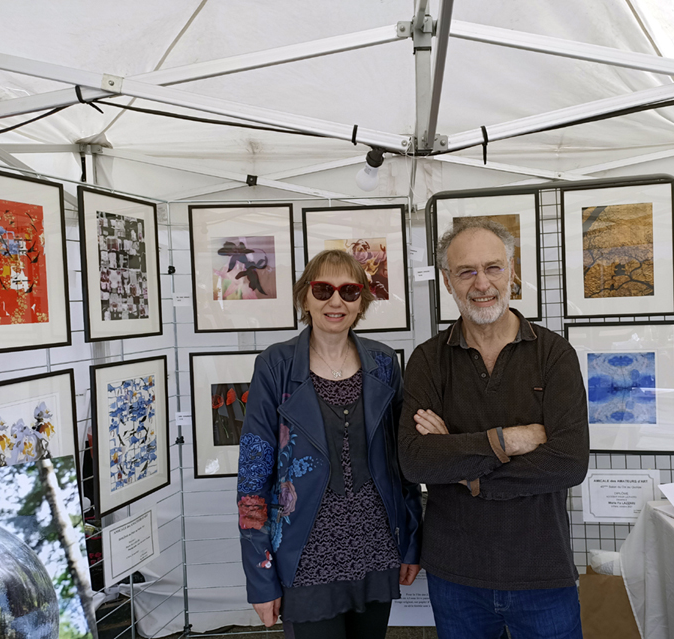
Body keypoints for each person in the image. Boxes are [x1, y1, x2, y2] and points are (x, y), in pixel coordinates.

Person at [398, 217, 590, 639]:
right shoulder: (428, 361)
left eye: (493, 267)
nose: (481, 283)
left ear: (512, 271)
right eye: (466, 271)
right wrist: (509, 440)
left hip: (542, 569)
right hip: (456, 575)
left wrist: (465, 467)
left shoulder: (555, 354)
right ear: (448, 282)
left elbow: (569, 463)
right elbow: (415, 461)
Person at [237, 249, 422, 639]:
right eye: (323, 289)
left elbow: (400, 464)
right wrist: (260, 576)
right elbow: (253, 478)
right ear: (305, 296)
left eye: (349, 291)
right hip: (305, 558)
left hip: (375, 548)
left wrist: (411, 541)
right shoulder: (275, 365)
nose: (335, 301)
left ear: (362, 302)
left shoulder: (385, 363)